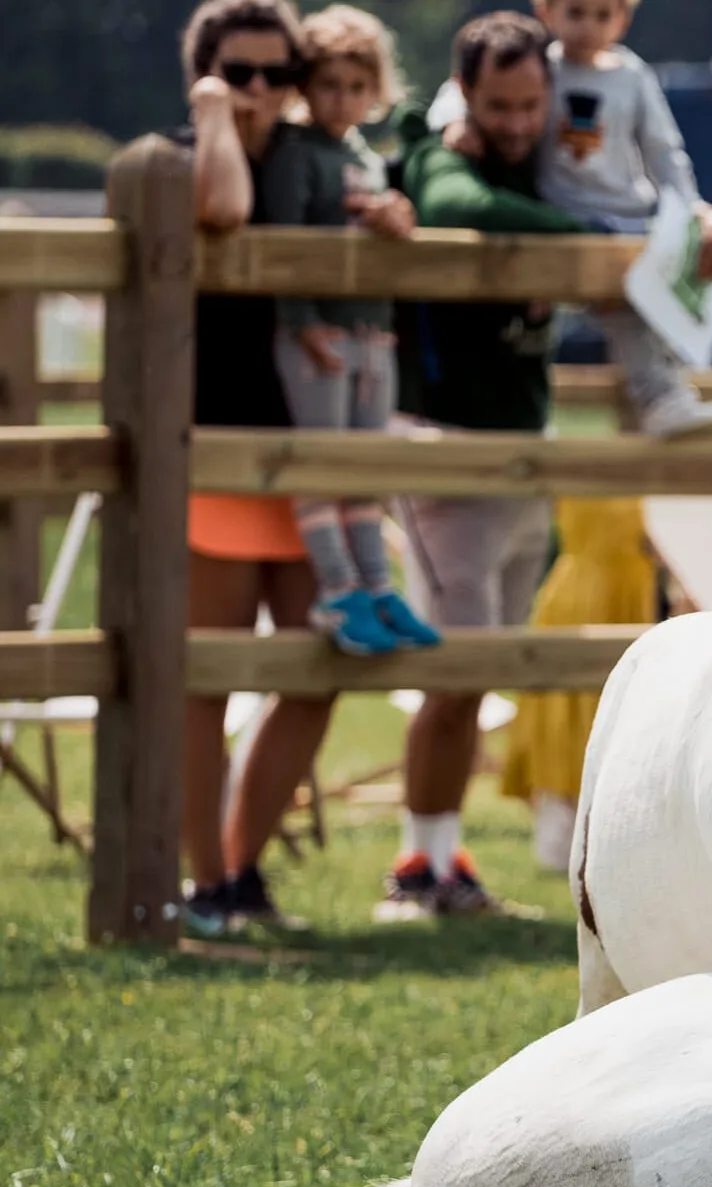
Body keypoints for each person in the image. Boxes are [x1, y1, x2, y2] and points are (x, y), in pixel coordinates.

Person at [170, 0, 410, 936]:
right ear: (204, 75)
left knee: (317, 664)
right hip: (222, 446)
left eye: (278, 73)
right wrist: (210, 115)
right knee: (213, 674)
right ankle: (204, 882)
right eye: (239, 73)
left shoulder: (324, 161)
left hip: (318, 447)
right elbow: (222, 209)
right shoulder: (181, 150)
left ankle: (240, 870)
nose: (261, 90)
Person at [382, 11, 621, 919]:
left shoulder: (545, 155)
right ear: (467, 95)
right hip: (447, 440)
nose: (519, 120)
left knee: (483, 660)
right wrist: (576, 233)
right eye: (500, 104)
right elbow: (454, 209)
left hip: (521, 443)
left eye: (532, 102)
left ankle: (445, 861)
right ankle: (417, 866)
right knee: (458, 660)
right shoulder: (453, 157)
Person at [277, 4, 436, 658]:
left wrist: (398, 215)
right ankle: (337, 587)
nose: (341, 100)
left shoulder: (368, 157)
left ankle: (376, 583)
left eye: (355, 86)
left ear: (376, 91)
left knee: (366, 463)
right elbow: (280, 246)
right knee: (322, 460)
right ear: (306, 86)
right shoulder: (296, 153)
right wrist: (302, 321)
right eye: (328, 85)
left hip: (372, 330)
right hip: (319, 333)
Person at [529, 0, 712, 437]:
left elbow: (664, 151)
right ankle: (533, 418)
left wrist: (692, 208)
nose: (589, 26)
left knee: (646, 303)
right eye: (576, 12)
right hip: (560, 216)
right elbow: (469, 93)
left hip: (627, 214)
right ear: (546, 12)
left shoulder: (632, 75)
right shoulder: (536, 67)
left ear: (623, 20)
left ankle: (662, 398)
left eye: (603, 15)